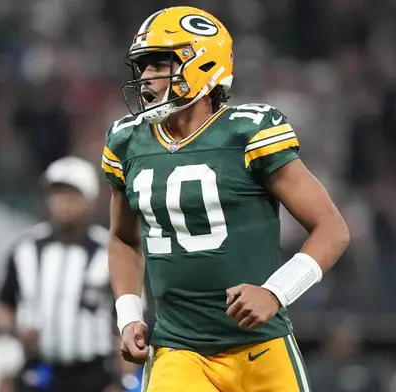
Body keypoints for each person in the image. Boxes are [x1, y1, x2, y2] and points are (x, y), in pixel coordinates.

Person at [101, 6, 350, 392]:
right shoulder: (126, 140)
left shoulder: (248, 132)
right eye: (143, 67)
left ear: (202, 64)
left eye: (158, 65)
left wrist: (275, 292)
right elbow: (122, 237)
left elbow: (332, 229)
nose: (146, 79)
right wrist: (129, 314)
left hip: (260, 346)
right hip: (178, 349)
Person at [0, 156, 119, 392]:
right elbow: (3, 304)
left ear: (89, 200)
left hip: (93, 374)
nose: (63, 203)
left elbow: (129, 321)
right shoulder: (25, 249)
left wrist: (121, 378)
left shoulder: (110, 252)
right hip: (39, 369)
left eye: (71, 196)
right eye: (57, 195)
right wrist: (15, 331)